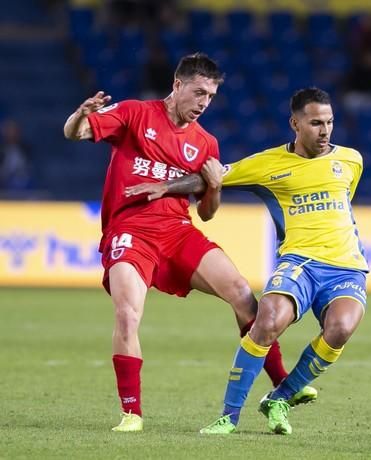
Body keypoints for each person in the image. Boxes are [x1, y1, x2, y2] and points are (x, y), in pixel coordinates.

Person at [62, 52, 312, 433]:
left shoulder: (205, 142)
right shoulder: (134, 114)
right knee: (128, 314)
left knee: (243, 293)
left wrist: (214, 184)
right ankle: (132, 413)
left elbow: (208, 212)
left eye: (210, 97)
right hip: (130, 231)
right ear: (177, 85)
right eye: (198, 93)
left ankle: (281, 384)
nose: (203, 104)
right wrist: (82, 113)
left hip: (178, 233)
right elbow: (74, 132)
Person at [125, 87, 368, 435]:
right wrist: (166, 188)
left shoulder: (351, 160)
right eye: (316, 123)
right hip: (299, 262)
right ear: (295, 123)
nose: (325, 130)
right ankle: (229, 415)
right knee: (267, 321)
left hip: (346, 266)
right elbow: (214, 177)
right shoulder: (267, 164)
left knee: (341, 328)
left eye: (329, 122)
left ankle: (280, 398)